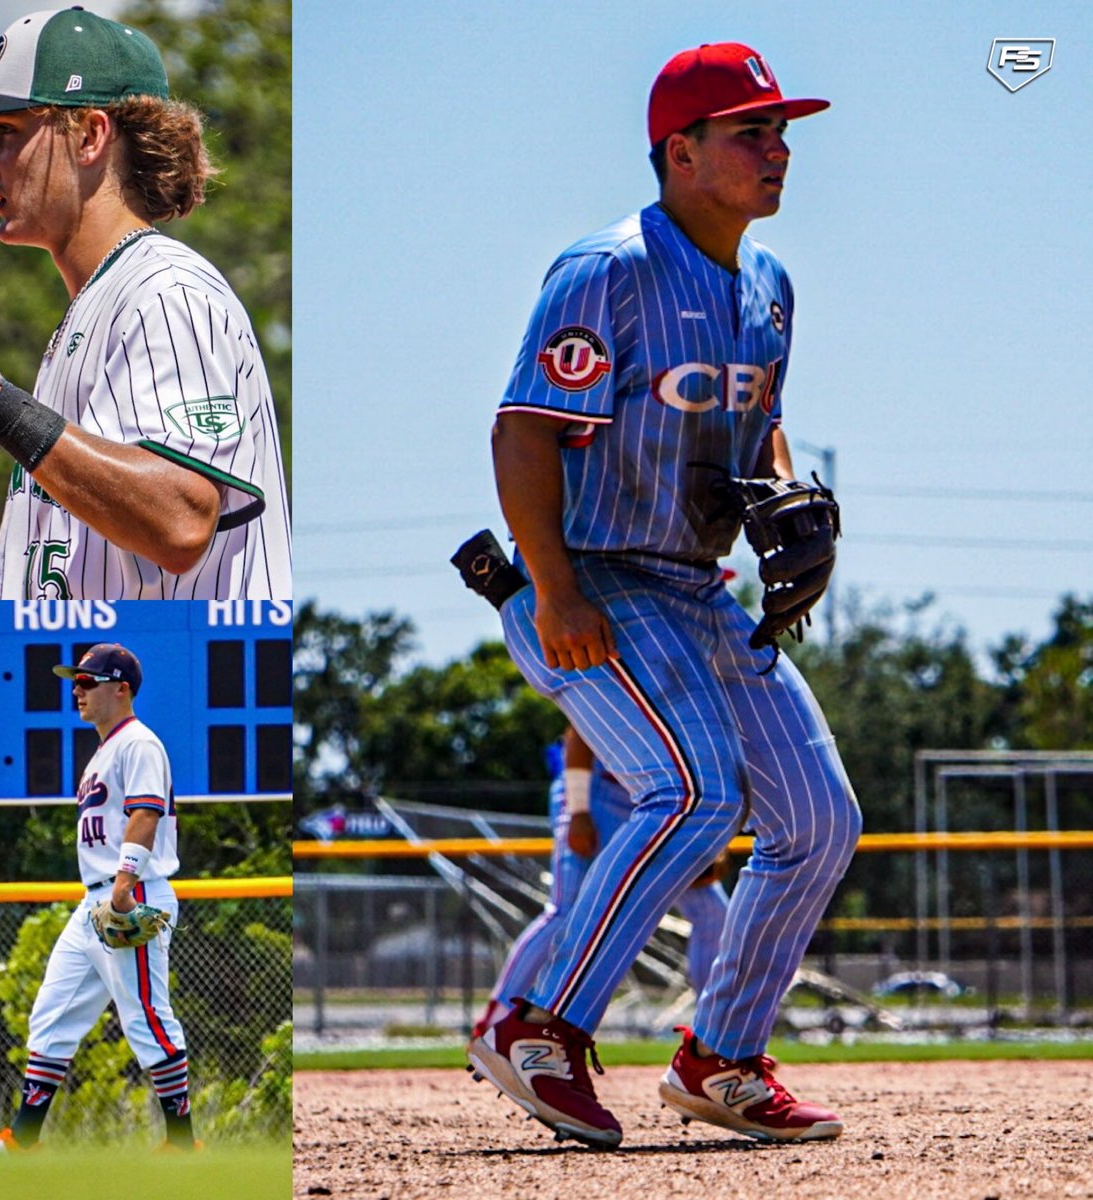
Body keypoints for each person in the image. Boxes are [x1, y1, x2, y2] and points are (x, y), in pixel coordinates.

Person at [466, 42, 862, 1147]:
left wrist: (780, 484)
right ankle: (536, 1027)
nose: (779, 150)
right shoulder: (607, 268)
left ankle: (720, 1059)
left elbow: (761, 419)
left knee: (822, 819)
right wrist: (552, 589)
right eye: (753, 132)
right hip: (593, 574)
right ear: (681, 153)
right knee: (693, 789)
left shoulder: (769, 287)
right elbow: (523, 429)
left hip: (696, 586)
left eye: (782, 132)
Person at [0, 7, 291, 599]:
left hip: (163, 688)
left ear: (90, 136)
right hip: (90, 684)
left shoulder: (167, 294)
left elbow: (181, 520)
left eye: (7, 129)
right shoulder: (99, 303)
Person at [0, 643, 197, 1153]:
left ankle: (181, 1143)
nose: (76, 689)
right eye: (75, 681)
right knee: (52, 1013)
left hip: (132, 891)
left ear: (120, 688)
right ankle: (22, 1140)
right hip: (95, 902)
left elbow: (145, 814)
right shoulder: (104, 750)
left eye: (88, 681)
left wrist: (126, 886)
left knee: (146, 1017)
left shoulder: (139, 743)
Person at [474, 724, 730, 1038]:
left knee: (712, 911)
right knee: (567, 911)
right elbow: (581, 732)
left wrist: (716, 842)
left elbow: (713, 768)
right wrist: (579, 810)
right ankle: (496, 1019)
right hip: (597, 792)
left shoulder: (711, 693)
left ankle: (714, 1038)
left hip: (666, 802)